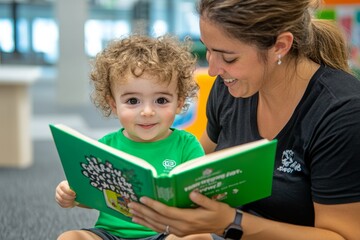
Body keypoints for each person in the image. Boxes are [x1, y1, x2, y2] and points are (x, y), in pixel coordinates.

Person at [127, 0, 360, 239]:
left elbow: (343, 236)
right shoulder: (231, 88)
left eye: (228, 58)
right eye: (208, 50)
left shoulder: (342, 113)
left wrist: (230, 223)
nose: (213, 69)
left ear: (280, 46)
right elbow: (196, 162)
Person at [55, 34, 212, 240]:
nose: (147, 111)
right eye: (132, 101)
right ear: (113, 104)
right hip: (111, 234)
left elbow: (202, 194)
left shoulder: (187, 145)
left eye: (161, 100)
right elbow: (91, 196)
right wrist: (72, 194)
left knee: (199, 236)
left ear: (180, 102)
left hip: (166, 234)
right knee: (69, 238)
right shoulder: (106, 147)